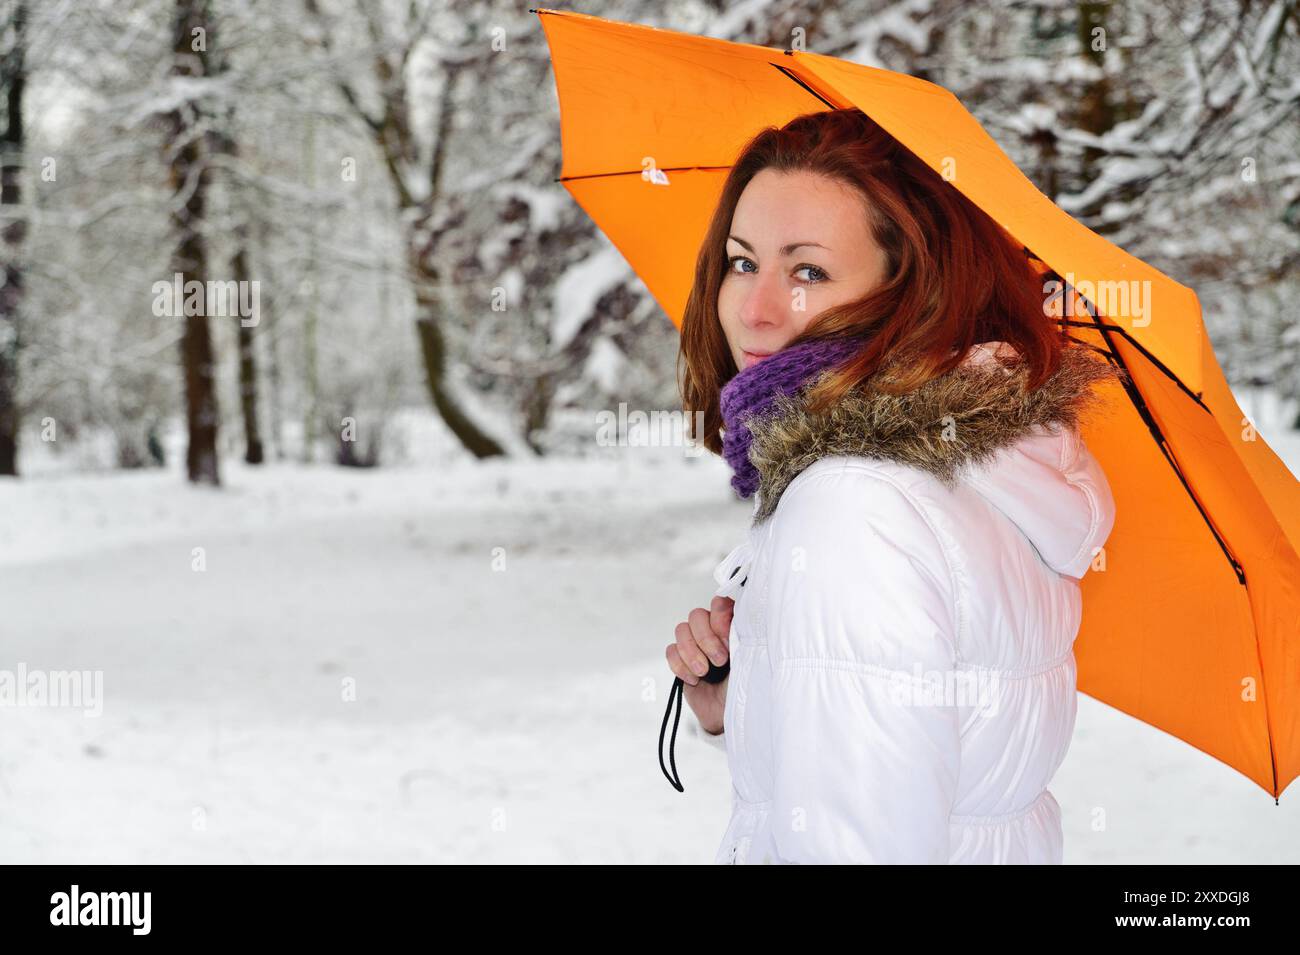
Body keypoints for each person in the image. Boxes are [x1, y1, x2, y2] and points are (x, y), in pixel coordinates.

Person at [667, 108, 1121, 864]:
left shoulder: (854, 506)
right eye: (743, 261)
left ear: (906, 293)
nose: (754, 307)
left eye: (808, 271)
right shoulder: (985, 470)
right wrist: (742, 705)